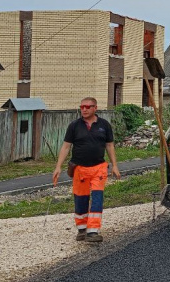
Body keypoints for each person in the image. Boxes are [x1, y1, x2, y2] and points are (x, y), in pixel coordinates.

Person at [52, 98, 121, 243]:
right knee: (80, 198)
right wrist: (58, 167)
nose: (84, 109)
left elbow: (110, 146)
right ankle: (82, 229)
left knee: (97, 198)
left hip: (99, 168)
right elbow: (66, 146)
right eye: (82, 106)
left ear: (95, 108)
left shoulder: (104, 125)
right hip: (80, 169)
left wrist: (114, 165)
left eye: (88, 107)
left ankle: (93, 231)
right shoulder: (74, 126)